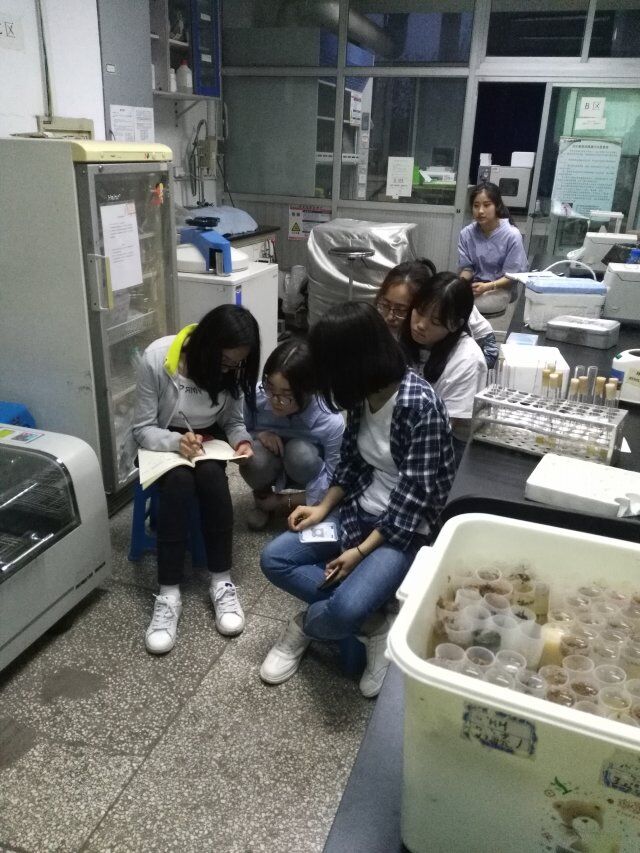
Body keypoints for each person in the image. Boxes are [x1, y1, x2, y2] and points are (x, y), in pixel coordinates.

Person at [259, 303, 455, 698]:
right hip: (355, 513)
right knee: (274, 558)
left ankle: (307, 625)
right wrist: (322, 507)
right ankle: (375, 625)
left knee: (346, 608)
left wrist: (359, 553)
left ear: (352, 363)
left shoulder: (419, 405)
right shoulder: (363, 395)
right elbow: (350, 464)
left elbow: (413, 501)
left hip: (400, 533)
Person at [133, 305, 260, 654]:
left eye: (237, 364)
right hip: (160, 441)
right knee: (178, 483)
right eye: (225, 360)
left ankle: (221, 581)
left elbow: (233, 421)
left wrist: (242, 441)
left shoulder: (232, 372)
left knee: (212, 480)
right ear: (205, 344)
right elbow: (142, 428)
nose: (229, 369)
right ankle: (168, 593)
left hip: (207, 441)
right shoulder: (158, 358)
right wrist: (176, 442)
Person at [240, 338, 345, 530]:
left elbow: (335, 475)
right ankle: (263, 501)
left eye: (286, 395)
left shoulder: (329, 419)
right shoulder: (257, 396)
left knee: (300, 453)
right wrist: (258, 434)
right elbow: (240, 429)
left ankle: (296, 503)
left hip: (305, 469)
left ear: (309, 391)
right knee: (253, 457)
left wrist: (285, 501)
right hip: (271, 461)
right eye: (270, 388)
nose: (275, 400)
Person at [400, 271, 488, 462]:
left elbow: (440, 432)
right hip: (403, 433)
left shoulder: (467, 361)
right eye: (419, 311)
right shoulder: (405, 336)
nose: (420, 325)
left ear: (455, 325)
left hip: (443, 448)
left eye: (435, 322)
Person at [375, 259, 498, 368]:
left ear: (423, 300)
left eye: (401, 310)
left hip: (483, 342)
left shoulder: (448, 311)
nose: (390, 317)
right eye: (385, 304)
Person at [458, 182, 529, 316]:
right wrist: (459, 284)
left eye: (486, 205)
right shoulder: (466, 233)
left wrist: (487, 287)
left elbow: (512, 276)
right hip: (475, 286)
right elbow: (467, 268)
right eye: (476, 206)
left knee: (467, 307)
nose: (480, 211)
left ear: (497, 206)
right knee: (446, 299)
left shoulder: (511, 235)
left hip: (500, 288)